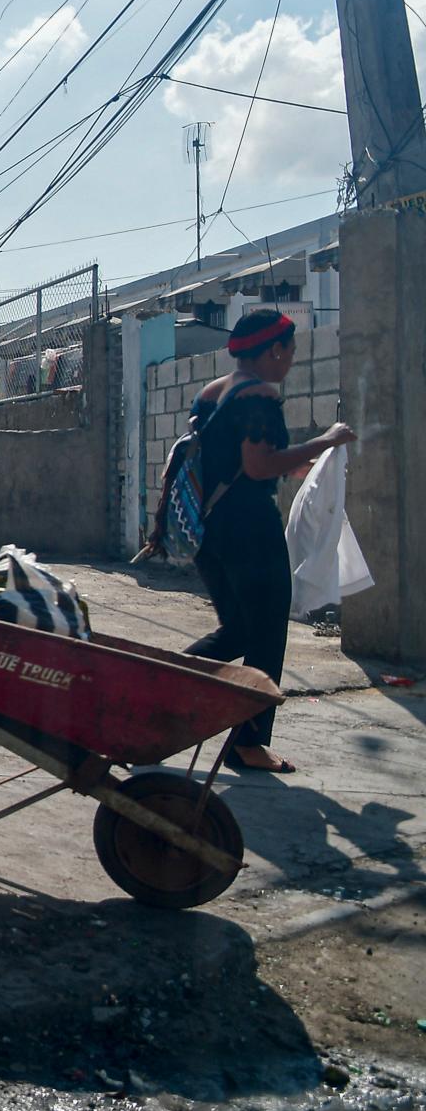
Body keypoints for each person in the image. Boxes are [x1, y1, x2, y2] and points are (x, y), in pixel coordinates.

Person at [184, 308, 355, 773]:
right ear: (273, 350)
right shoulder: (259, 394)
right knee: (265, 633)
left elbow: (240, 463)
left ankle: (157, 683)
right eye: (290, 351)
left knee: (238, 630)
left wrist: (297, 466)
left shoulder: (211, 393)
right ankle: (250, 742)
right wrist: (327, 441)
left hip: (210, 531)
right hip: (250, 531)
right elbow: (260, 466)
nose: (292, 360)